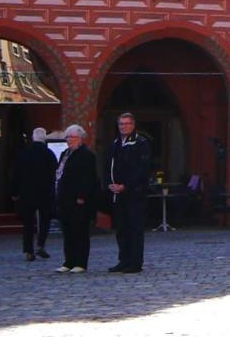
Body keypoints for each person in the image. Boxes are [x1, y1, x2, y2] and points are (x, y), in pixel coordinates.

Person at [108, 112, 152, 274]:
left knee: (134, 229)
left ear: (133, 125)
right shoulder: (115, 143)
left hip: (134, 193)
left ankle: (135, 262)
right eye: (121, 124)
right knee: (121, 229)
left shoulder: (140, 143)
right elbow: (109, 165)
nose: (123, 126)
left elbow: (142, 169)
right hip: (117, 194)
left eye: (126, 124)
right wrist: (110, 184)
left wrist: (126, 185)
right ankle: (123, 260)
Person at [55, 124, 98, 273]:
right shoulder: (65, 154)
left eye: (72, 137)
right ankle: (69, 261)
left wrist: (82, 196)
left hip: (79, 201)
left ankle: (80, 262)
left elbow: (88, 179)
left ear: (80, 139)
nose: (69, 140)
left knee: (79, 232)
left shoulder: (86, 155)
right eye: (68, 137)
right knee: (68, 232)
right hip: (65, 199)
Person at [11, 127, 57, 262]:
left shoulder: (24, 154)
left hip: (27, 193)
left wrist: (14, 192)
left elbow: (16, 174)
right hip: (45, 192)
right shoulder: (49, 154)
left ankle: (28, 251)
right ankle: (41, 244)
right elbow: (56, 171)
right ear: (44, 138)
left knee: (28, 222)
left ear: (33, 137)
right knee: (45, 220)